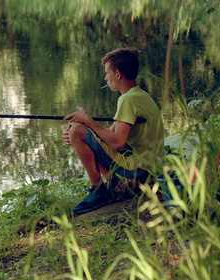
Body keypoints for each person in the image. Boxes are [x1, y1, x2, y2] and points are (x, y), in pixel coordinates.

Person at [62, 47, 164, 215]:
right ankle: (112, 185)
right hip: (151, 168)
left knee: (78, 130)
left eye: (107, 72)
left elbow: (117, 143)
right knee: (77, 131)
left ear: (118, 74)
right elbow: (106, 136)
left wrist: (87, 123)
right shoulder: (139, 96)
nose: (105, 77)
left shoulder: (127, 100)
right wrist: (75, 136)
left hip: (139, 168)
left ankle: (99, 190)